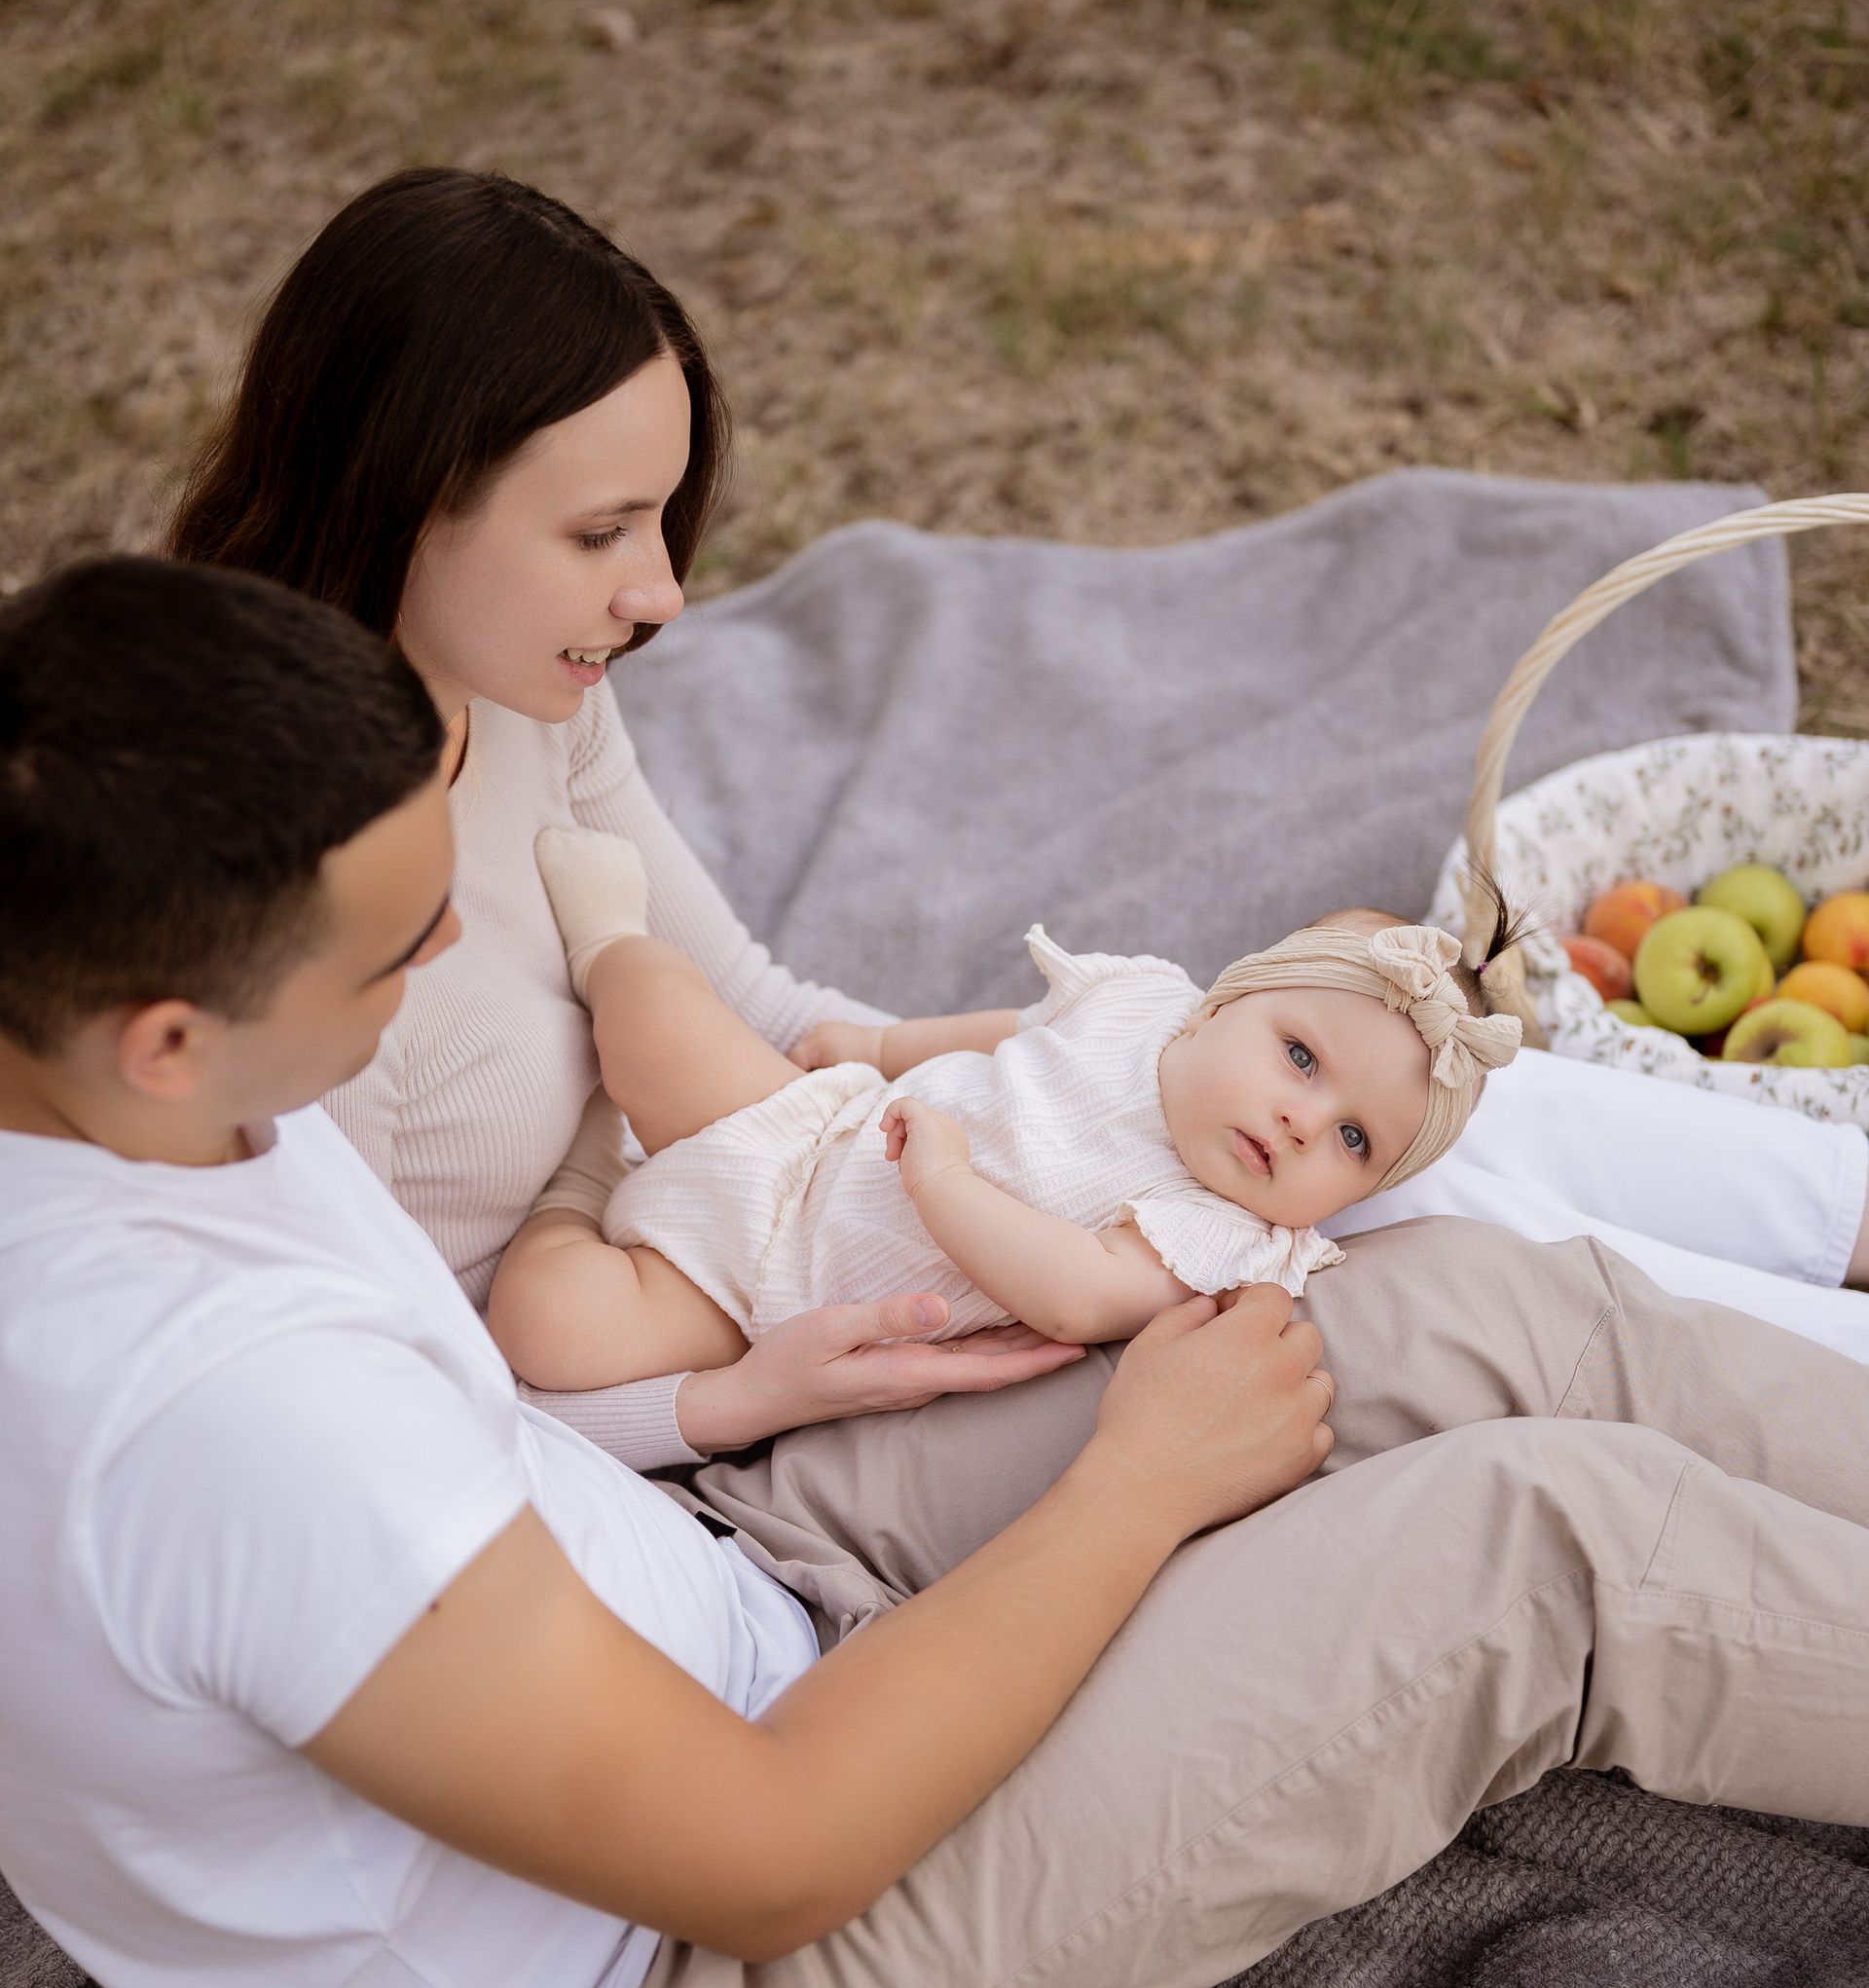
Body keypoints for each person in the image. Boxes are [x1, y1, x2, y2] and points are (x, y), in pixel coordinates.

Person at [5, 554, 1869, 1988]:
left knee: (1460, 1304)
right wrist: (1136, 1488)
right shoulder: (205, 1429)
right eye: (398, 953)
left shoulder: (118, 1088)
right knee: (1534, 1549)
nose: (444, 969)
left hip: (743, 1560)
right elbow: (767, 1854)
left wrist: (739, 1357)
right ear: (170, 1038)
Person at [166, 166, 1869, 1454]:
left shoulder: (530, 699)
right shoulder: (259, 924)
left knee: (1402, 1092)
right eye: (603, 533)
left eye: (665, 524)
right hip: (689, 1392)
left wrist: (1055, 1077)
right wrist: (736, 1401)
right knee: (1425, 1304)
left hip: (777, 1193)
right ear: (402, 493)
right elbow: (385, 1423)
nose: (665, 594)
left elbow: (764, 1010)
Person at [485, 834, 1521, 1386]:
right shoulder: (1145, 1002)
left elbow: (1076, 1295)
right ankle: (606, 940)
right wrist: (880, 1047)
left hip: (771, 1298)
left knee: (552, 1331)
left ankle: (577, 1185)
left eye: (1354, 1140)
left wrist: (943, 1179)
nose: (1303, 1120)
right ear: (1223, 1002)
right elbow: (1007, 1032)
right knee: (660, 1009)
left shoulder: (1213, 1234)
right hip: (808, 1129)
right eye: (1300, 1058)